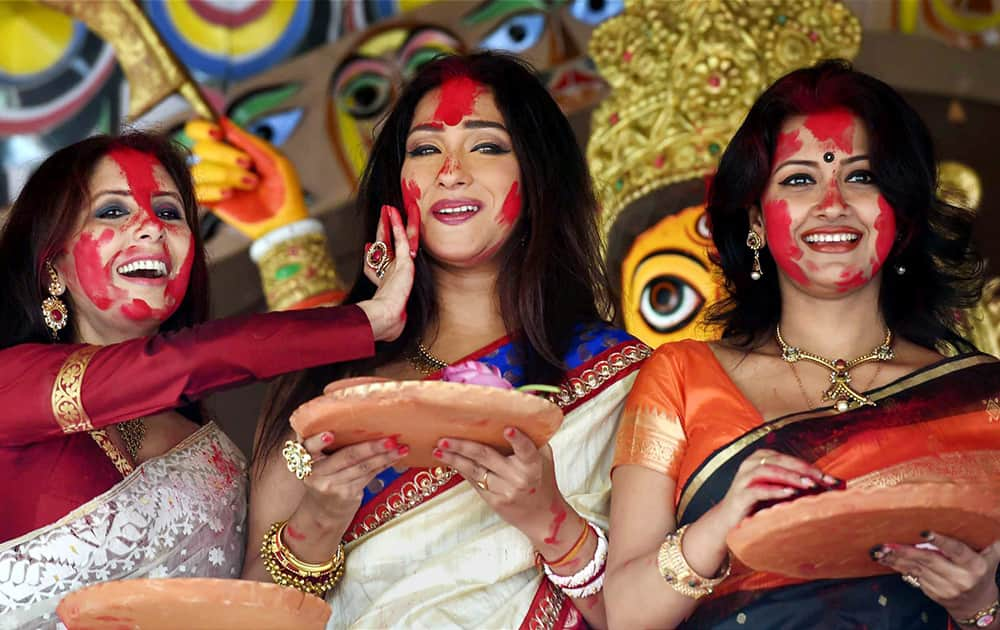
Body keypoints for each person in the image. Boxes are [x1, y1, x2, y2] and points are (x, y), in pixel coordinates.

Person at [221, 52, 649, 629]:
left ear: (539, 175)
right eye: (425, 149)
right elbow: (248, 621)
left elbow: (660, 612)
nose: (450, 170)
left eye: (487, 146)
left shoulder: (620, 379)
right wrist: (317, 524)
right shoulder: (326, 385)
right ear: (398, 186)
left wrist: (550, 519)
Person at [605, 60, 1000, 629]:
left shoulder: (979, 398)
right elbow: (624, 616)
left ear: (904, 214)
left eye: (861, 176)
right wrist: (719, 525)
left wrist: (977, 605)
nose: (832, 202)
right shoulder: (683, 377)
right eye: (798, 179)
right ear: (756, 221)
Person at [0, 131, 413, 628]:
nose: (152, 228)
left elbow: (252, 605)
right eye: (111, 211)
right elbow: (178, 362)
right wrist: (368, 319)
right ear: (53, 265)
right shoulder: (12, 386)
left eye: (170, 213)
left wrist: (321, 517)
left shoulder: (203, 440)